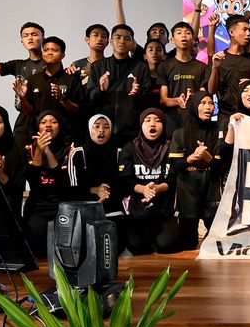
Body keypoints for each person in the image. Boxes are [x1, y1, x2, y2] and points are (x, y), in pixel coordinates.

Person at [118, 109, 180, 254]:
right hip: (138, 212)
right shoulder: (130, 148)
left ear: (163, 125)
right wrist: (143, 189)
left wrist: (157, 188)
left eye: (157, 121)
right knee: (137, 248)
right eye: (148, 120)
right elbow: (125, 180)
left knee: (168, 246)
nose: (152, 124)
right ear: (141, 125)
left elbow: (173, 179)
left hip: (163, 211)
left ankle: (157, 238)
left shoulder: (169, 147)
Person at [0, 21, 45, 146]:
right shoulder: (18, 65)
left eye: (34, 34)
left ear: (43, 38)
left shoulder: (51, 63)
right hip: (24, 120)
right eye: (26, 35)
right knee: (19, 153)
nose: (30, 38)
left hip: (45, 117)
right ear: (22, 41)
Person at [170, 92, 219, 250]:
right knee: (188, 244)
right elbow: (176, 166)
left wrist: (206, 156)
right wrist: (190, 159)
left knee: (216, 244)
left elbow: (220, 167)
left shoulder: (218, 133)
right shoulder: (179, 134)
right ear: (194, 106)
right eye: (203, 103)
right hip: (188, 191)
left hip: (211, 190)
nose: (208, 107)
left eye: (211, 103)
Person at [22, 111, 72, 257]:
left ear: (60, 126)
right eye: (43, 122)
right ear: (38, 127)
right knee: (36, 245)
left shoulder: (69, 149)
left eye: (53, 122)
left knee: (63, 249)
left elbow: (62, 181)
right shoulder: (29, 149)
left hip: (62, 205)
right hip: (38, 205)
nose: (48, 125)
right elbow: (33, 181)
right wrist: (39, 150)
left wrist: (48, 152)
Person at [94, 24, 150, 146]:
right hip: (104, 128)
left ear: (132, 44)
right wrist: (101, 89)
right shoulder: (98, 66)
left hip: (132, 130)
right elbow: (89, 98)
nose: (122, 41)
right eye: (118, 37)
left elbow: (148, 100)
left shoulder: (141, 67)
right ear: (111, 42)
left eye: (127, 38)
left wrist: (138, 93)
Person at [21, 36, 84, 141]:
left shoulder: (71, 79)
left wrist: (62, 98)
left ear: (63, 55)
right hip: (39, 135)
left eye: (54, 50)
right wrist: (22, 98)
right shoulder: (33, 80)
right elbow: (29, 113)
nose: (49, 53)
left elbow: (78, 109)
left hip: (66, 137)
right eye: (46, 50)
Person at [65, 114, 124, 220]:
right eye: (96, 126)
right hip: (84, 207)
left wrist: (106, 192)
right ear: (89, 129)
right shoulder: (78, 154)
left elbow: (124, 184)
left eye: (106, 127)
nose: (101, 130)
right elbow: (72, 190)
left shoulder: (119, 153)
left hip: (113, 207)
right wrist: (94, 190)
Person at [158, 21, 210, 131]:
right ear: (172, 40)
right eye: (179, 33)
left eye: (187, 33)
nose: (183, 35)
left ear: (192, 39)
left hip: (196, 122)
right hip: (173, 122)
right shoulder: (165, 66)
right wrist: (178, 100)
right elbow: (163, 100)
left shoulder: (202, 67)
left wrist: (194, 98)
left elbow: (203, 95)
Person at [208, 15, 250, 115]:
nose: (248, 34)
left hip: (249, 115)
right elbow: (211, 90)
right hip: (226, 115)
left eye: (249, 30)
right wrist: (215, 68)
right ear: (231, 32)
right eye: (244, 30)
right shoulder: (220, 59)